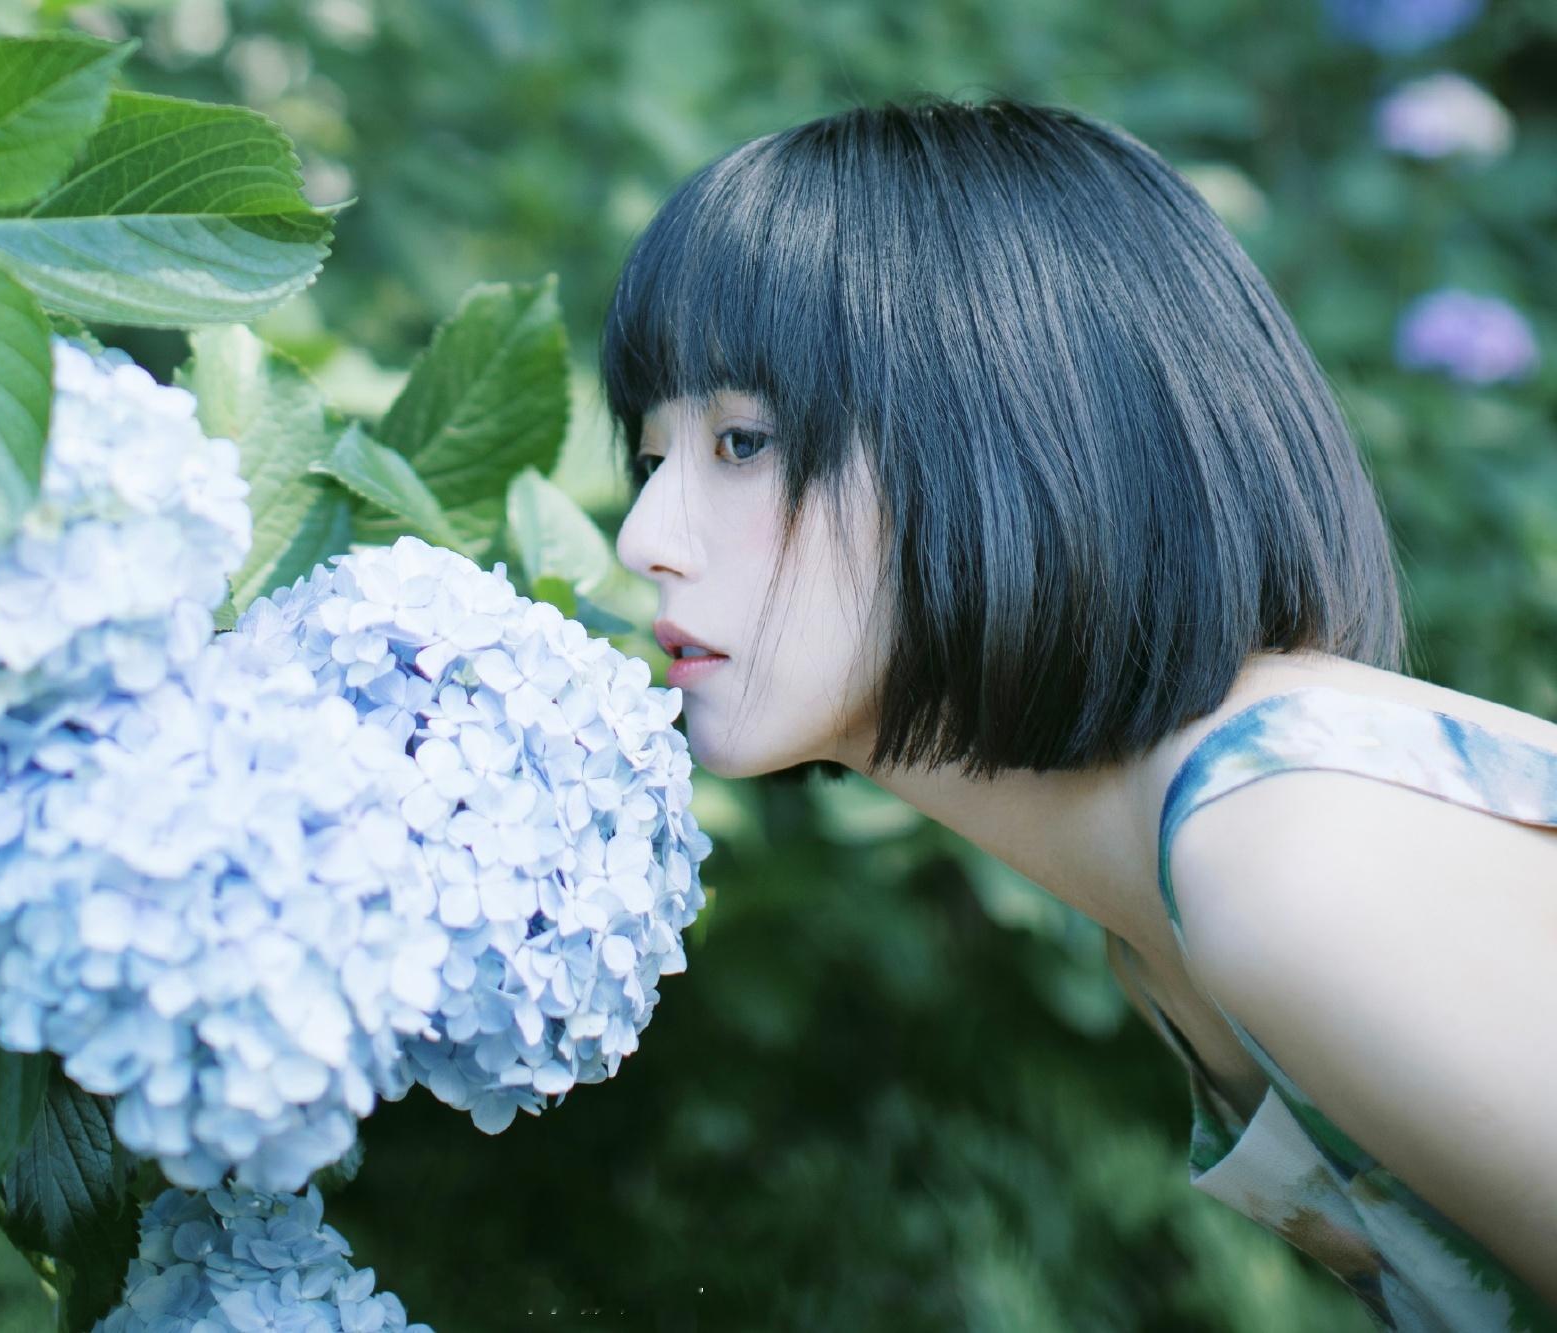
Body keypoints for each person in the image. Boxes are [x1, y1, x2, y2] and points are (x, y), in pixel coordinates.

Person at [603, 95, 1557, 1328]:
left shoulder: (1289, 859)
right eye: (651, 457)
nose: (643, 536)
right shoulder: (1163, 920)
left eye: (741, 442)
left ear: (1007, 426)